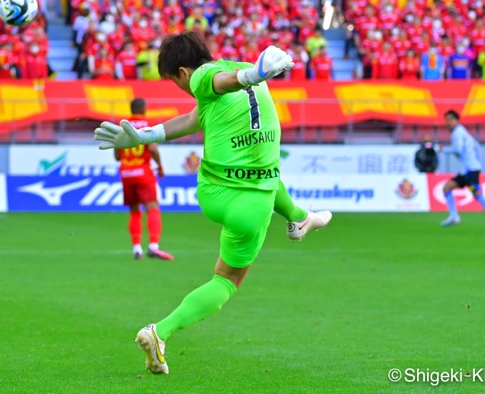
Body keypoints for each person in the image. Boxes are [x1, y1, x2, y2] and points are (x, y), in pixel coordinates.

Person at [94, 31, 332, 374]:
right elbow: (222, 87)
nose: (181, 89)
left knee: (268, 175)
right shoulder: (239, 73)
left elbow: (205, 101)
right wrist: (254, 75)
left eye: (174, 82)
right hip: (248, 205)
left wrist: (145, 134)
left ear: (183, 72)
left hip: (216, 190)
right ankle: (160, 332)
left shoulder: (203, 77)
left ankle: (300, 218)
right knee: (227, 282)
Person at [114, 98, 172, 261]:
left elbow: (117, 156)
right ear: (144, 109)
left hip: (126, 173)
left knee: (134, 210)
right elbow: (152, 148)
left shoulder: (122, 127)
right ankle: (153, 246)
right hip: (143, 172)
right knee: (152, 207)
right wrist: (160, 166)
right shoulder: (148, 124)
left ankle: (137, 248)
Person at [439, 110, 485, 230]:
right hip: (469, 169)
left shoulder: (458, 132)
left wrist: (443, 149)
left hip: (470, 170)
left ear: (456, 120)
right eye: (446, 120)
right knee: (447, 188)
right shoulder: (462, 132)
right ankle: (454, 216)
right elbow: (476, 146)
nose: (447, 123)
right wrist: (478, 162)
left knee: (477, 194)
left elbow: (458, 149)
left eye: (450, 120)